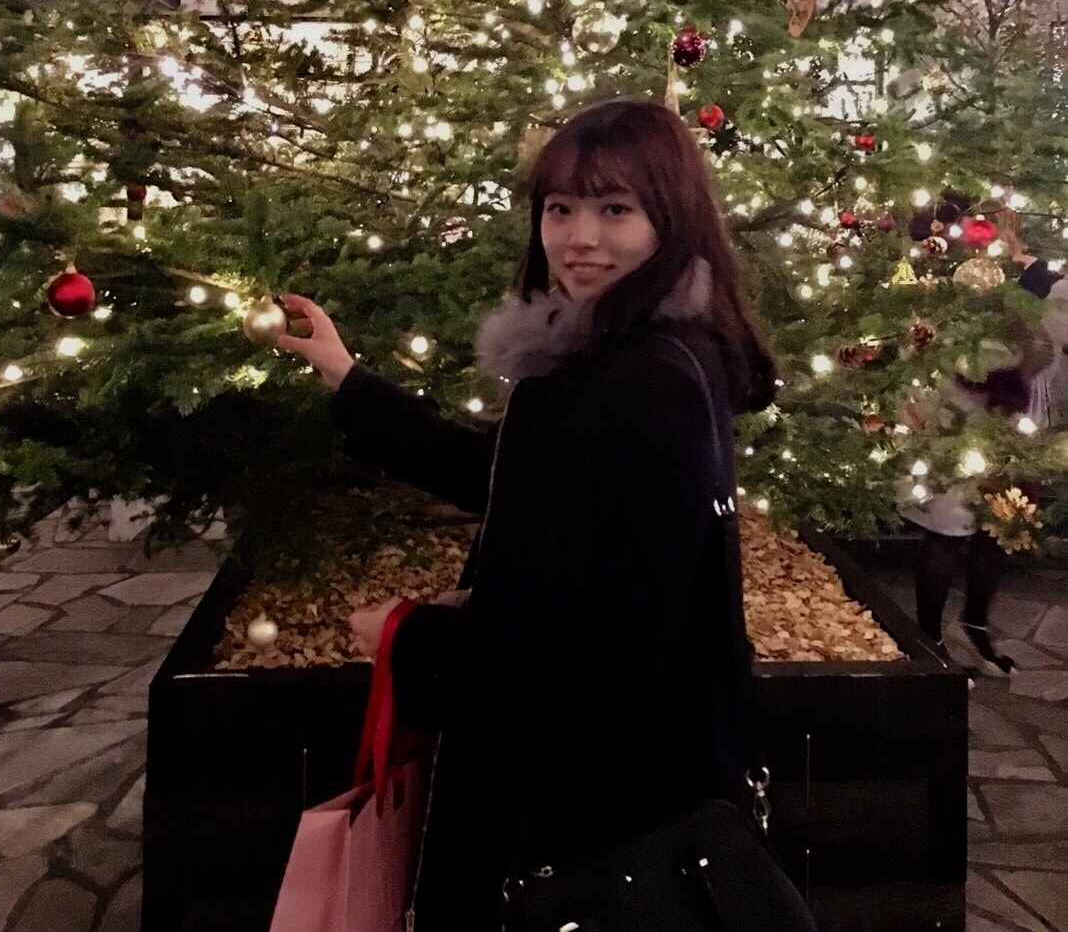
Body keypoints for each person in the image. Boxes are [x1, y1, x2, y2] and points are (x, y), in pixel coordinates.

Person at [274, 99, 777, 932]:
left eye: (614, 209)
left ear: (670, 216)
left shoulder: (647, 383)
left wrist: (413, 641)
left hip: (593, 811)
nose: (580, 238)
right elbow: (512, 479)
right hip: (601, 785)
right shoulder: (612, 353)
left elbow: (599, 659)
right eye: (560, 209)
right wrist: (349, 381)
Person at [903, 231, 1065, 677]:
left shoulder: (1042, 327)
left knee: (995, 535)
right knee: (948, 535)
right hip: (957, 437)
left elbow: (1046, 375)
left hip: (1011, 440)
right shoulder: (958, 329)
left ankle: (974, 627)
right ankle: (929, 642)